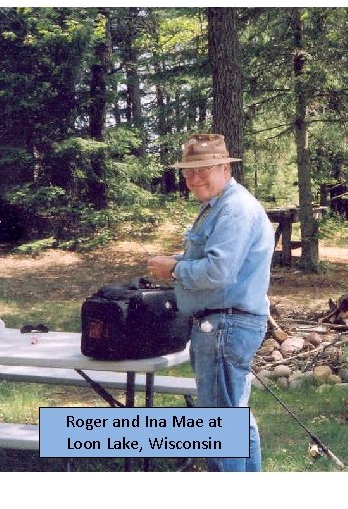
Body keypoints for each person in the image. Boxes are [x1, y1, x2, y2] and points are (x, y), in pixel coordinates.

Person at [148, 133, 274, 470]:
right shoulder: (218, 206)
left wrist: (174, 268)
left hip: (225, 324)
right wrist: (177, 262)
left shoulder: (234, 209)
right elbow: (212, 258)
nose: (194, 179)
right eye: (188, 172)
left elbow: (218, 271)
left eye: (202, 169)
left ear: (223, 167)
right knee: (233, 419)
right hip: (224, 323)